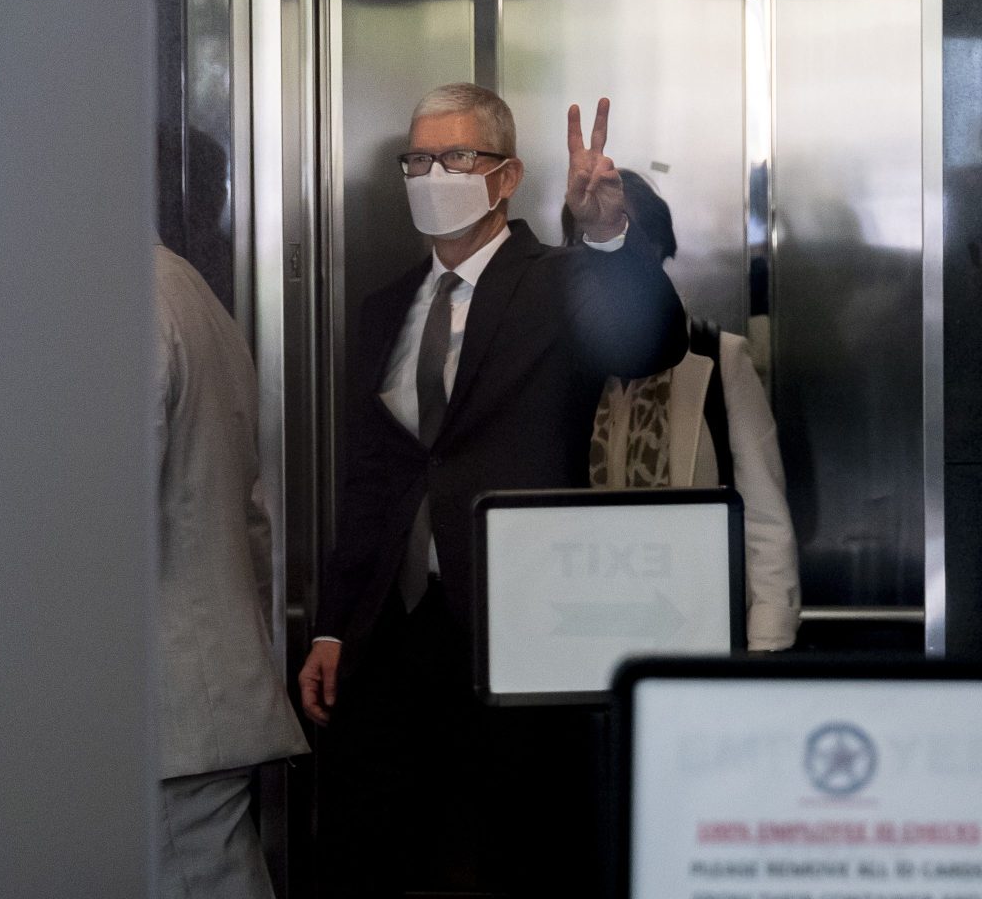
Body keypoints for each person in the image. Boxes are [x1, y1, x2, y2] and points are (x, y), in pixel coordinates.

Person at [297, 82, 687, 896]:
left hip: (520, 633)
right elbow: (373, 477)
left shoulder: (556, 282)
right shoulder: (384, 309)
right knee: (383, 854)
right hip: (394, 635)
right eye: (419, 158)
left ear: (506, 178)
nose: (433, 173)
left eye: (458, 156)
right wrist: (332, 626)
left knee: (522, 857)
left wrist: (609, 234)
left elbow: (653, 343)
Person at [567, 169, 802, 650]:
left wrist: (767, 640)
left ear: (655, 253)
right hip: (582, 621)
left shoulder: (717, 357)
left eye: (625, 245)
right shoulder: (563, 357)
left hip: (695, 625)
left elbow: (763, 516)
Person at [153, 243, 310, 897]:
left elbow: (92, 528)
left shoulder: (115, 305)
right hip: (194, 700)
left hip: (161, 715)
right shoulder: (185, 288)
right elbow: (249, 518)